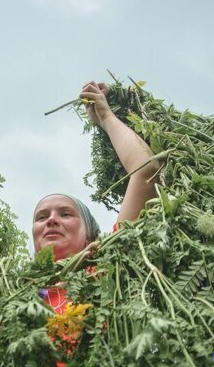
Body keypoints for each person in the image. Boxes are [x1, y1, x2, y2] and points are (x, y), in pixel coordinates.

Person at [32, 80, 159, 261]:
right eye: (41, 217)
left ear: (89, 237)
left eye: (66, 214)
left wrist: (106, 117)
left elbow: (147, 170)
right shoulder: (12, 288)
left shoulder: (105, 268)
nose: (51, 220)